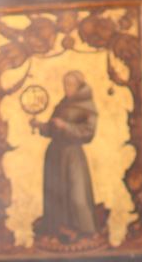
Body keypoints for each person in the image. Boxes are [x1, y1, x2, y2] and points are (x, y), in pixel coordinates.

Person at [31, 71, 106, 249]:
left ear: (79, 86)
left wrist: (66, 126)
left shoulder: (87, 106)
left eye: (71, 84)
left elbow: (88, 133)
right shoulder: (63, 104)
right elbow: (52, 129)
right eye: (65, 84)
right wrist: (39, 125)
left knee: (76, 193)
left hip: (72, 155)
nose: (67, 88)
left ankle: (86, 231)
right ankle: (60, 229)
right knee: (56, 193)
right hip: (55, 154)